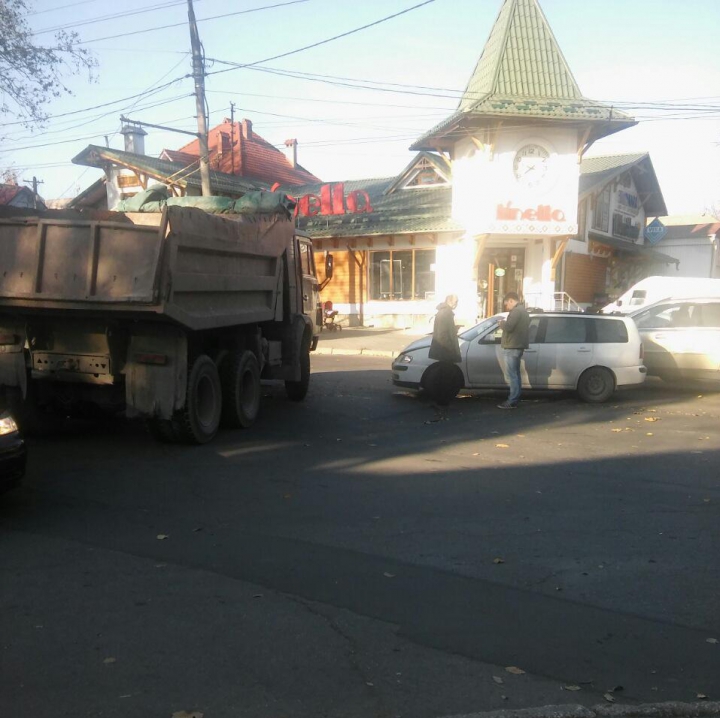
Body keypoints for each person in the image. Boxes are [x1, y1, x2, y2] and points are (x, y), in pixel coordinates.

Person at [427, 294, 461, 411]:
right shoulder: (446, 313)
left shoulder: (443, 312)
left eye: (457, 302)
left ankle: (440, 400)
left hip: (443, 351)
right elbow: (443, 334)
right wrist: (450, 350)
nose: (456, 304)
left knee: (443, 375)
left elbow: (444, 331)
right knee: (446, 377)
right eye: (455, 302)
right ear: (449, 301)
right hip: (445, 351)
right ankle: (442, 401)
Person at [497, 291, 529, 409]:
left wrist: (501, 323)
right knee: (515, 374)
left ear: (511, 300)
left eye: (507, 304)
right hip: (517, 345)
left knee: (512, 375)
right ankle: (515, 398)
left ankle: (512, 400)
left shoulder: (516, 311)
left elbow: (509, 327)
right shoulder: (523, 311)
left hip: (512, 346)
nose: (507, 307)